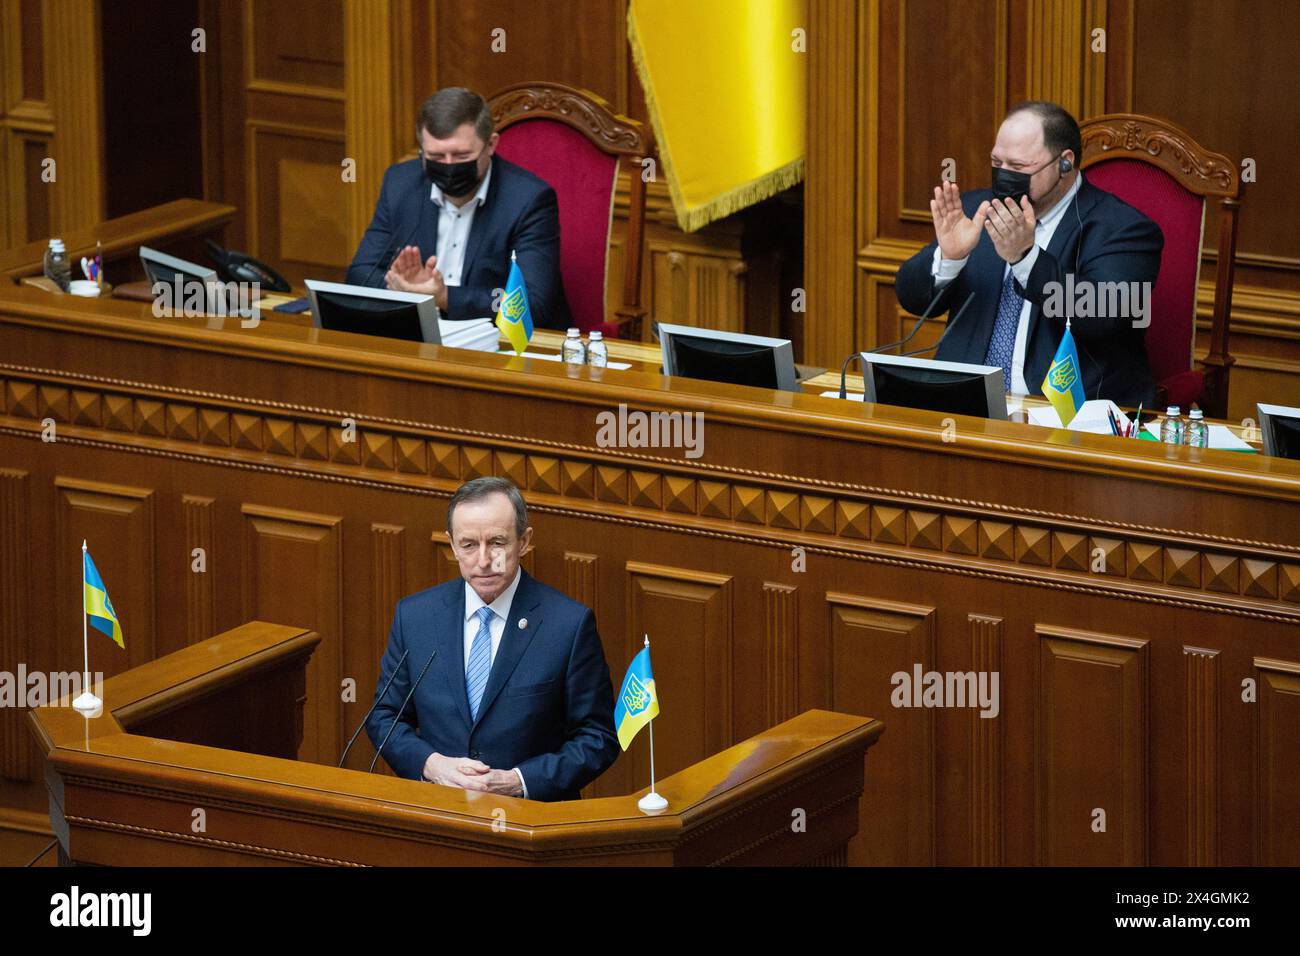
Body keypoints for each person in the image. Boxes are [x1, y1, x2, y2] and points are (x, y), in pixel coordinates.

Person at [895, 101, 1163, 407]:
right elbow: (910, 297)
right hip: (963, 405)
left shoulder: (1123, 229)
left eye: (1019, 167)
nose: (1004, 176)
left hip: (1061, 417)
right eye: (998, 163)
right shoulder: (976, 210)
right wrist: (949, 258)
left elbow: (1105, 316)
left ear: (1064, 163)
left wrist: (1025, 259)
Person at [365, 477, 618, 801]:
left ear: (523, 541)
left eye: (497, 543)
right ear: (452, 544)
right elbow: (385, 717)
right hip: (438, 815)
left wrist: (519, 780)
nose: (484, 561)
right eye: (469, 545)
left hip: (531, 825)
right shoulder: (415, 616)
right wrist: (432, 765)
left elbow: (598, 737)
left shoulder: (568, 625)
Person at [346, 86, 572, 330]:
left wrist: (445, 298)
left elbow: (531, 304)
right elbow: (360, 274)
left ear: (491, 145)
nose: (449, 166)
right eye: (436, 157)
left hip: (500, 344)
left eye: (462, 156)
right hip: (418, 335)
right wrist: (408, 291)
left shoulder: (527, 199)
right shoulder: (401, 184)